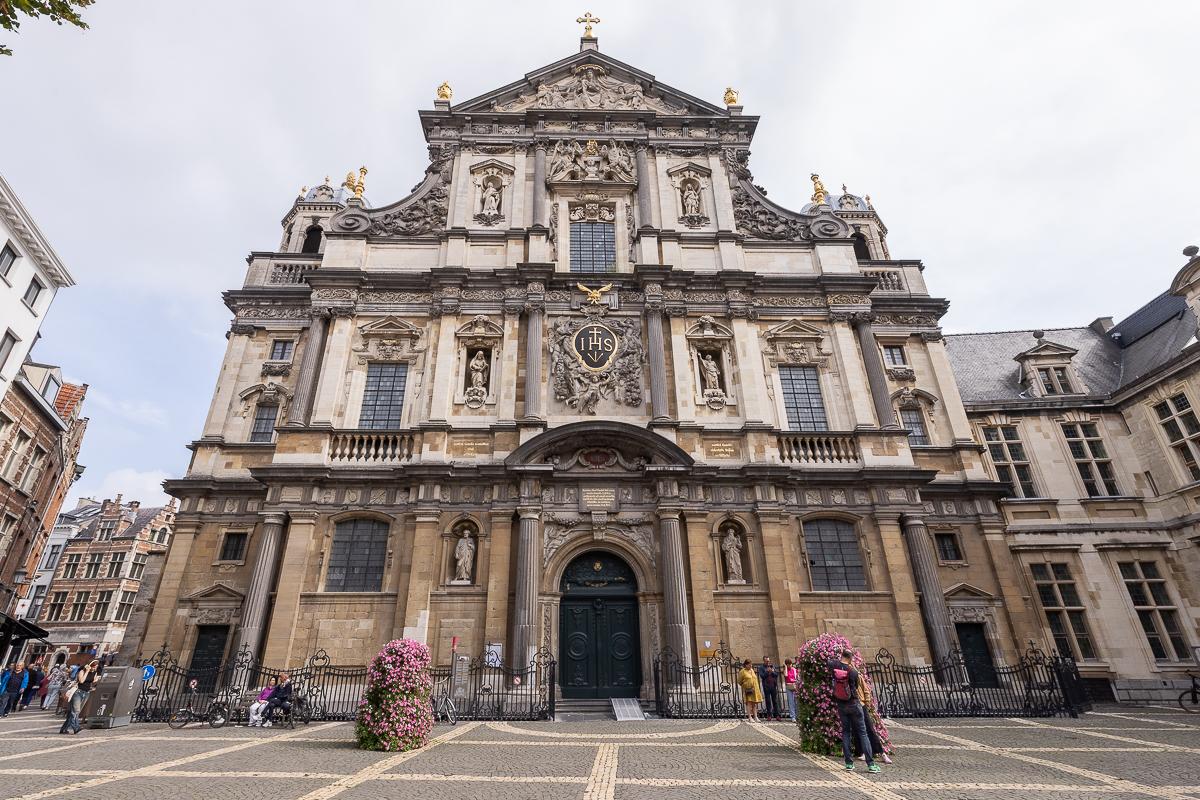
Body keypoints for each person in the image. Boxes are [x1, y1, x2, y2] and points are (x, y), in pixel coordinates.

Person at [828, 648, 879, 773]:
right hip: (854, 704)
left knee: (845, 732)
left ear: (841, 655)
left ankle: (849, 763)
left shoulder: (834, 667)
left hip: (841, 704)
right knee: (863, 733)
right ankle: (871, 764)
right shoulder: (853, 672)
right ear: (851, 658)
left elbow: (829, 662)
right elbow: (855, 688)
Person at [853, 670, 892, 764]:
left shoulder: (857, 675)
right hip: (852, 706)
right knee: (856, 729)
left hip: (861, 705)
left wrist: (865, 703)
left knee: (869, 728)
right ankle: (862, 752)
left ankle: (882, 753)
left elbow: (866, 691)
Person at [60, 660, 100, 734]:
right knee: (76, 711)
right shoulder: (82, 671)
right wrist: (87, 671)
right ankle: (76, 727)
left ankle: (64, 728)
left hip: (86, 693)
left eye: (96, 667)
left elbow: (93, 681)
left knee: (74, 712)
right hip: (78, 692)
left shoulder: (94, 672)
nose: (95, 668)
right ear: (89, 665)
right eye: (94, 666)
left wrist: (97, 679)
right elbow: (81, 681)